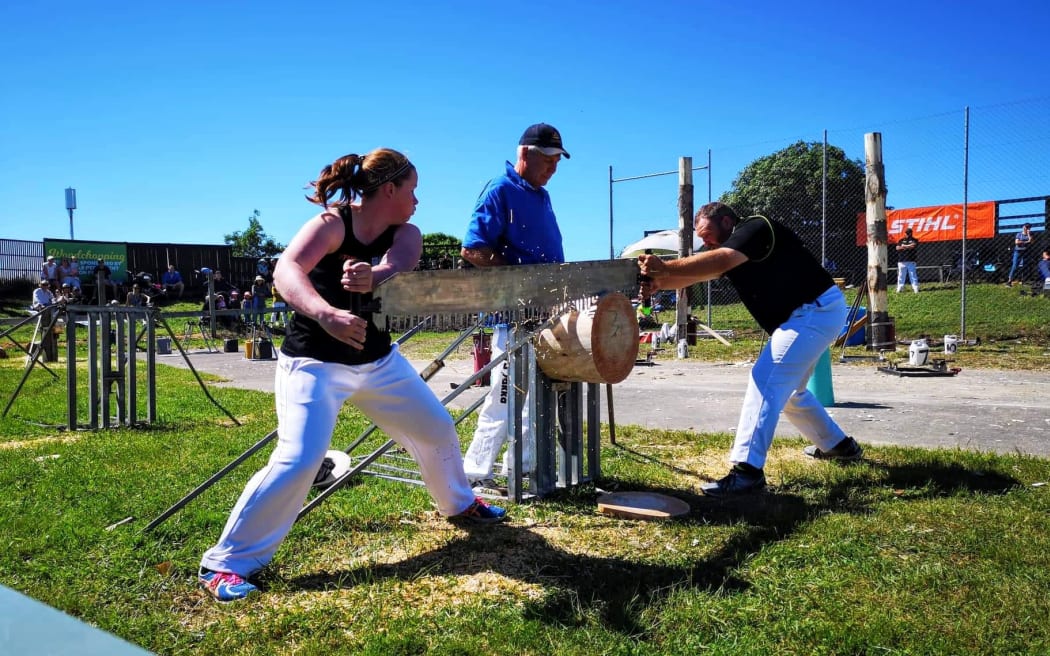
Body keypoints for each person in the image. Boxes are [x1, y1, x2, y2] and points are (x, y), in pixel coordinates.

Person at [198, 148, 506, 603]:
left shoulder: (407, 232)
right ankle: (224, 564)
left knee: (437, 429)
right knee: (300, 458)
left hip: (378, 363)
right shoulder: (331, 225)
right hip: (314, 363)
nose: (417, 201)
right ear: (388, 190)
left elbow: (399, 261)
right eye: (412, 191)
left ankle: (459, 505)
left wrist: (373, 273)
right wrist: (325, 314)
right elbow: (286, 271)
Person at [638, 202, 862, 498]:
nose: (705, 242)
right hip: (811, 314)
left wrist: (664, 268)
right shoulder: (730, 249)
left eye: (708, 235)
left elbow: (716, 263)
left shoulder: (755, 228)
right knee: (791, 392)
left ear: (728, 221)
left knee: (765, 380)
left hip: (813, 311)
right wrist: (660, 282)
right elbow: (694, 274)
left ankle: (747, 472)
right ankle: (839, 446)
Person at [459, 123, 569, 490]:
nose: (554, 168)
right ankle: (475, 471)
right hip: (514, 316)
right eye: (549, 159)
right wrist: (520, 280)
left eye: (558, 161)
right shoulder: (500, 189)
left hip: (544, 314)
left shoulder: (542, 196)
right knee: (505, 395)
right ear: (525, 154)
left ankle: (521, 467)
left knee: (535, 397)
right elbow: (473, 250)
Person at [895, 228, 920, 293]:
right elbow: (897, 248)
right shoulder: (901, 240)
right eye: (906, 233)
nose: (907, 234)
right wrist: (908, 246)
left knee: (913, 275)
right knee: (901, 275)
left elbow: (913, 246)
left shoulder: (914, 240)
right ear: (905, 233)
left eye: (909, 233)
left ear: (911, 233)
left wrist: (903, 246)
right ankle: (900, 288)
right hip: (901, 261)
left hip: (911, 260)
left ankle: (915, 288)